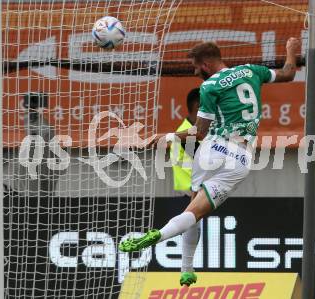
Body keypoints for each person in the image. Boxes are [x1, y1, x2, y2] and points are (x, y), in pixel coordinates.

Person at [119, 38, 300, 286]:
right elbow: (289, 73)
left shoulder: (210, 86)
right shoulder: (251, 71)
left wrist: (167, 136)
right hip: (239, 157)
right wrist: (290, 50)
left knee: (192, 210)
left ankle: (185, 268)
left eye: (195, 67)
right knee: (196, 213)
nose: (195, 72)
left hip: (211, 150)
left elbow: (200, 132)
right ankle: (162, 238)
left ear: (205, 64)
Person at [170, 88, 200, 196]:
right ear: (197, 106)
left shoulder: (192, 130)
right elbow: (205, 161)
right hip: (190, 193)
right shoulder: (185, 134)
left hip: (194, 191)